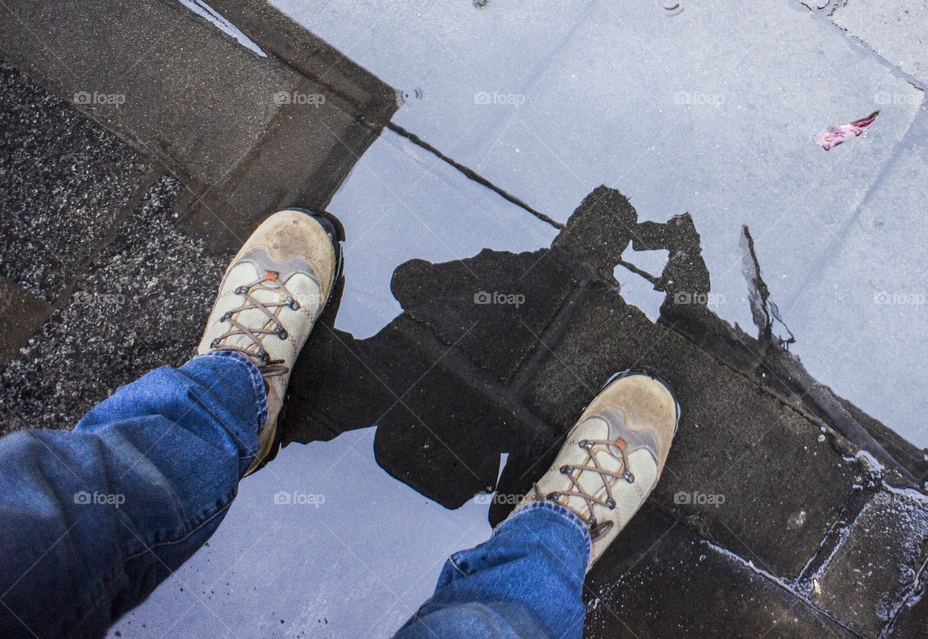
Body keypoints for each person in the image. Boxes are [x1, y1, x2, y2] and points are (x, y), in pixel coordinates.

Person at [0, 210, 680, 639]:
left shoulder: (543, 277)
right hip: (426, 393)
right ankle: (553, 536)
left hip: (423, 389)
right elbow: (416, 278)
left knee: (39, 513)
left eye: (594, 230)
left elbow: (414, 279)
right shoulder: (541, 278)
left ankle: (227, 398)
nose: (586, 241)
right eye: (595, 230)